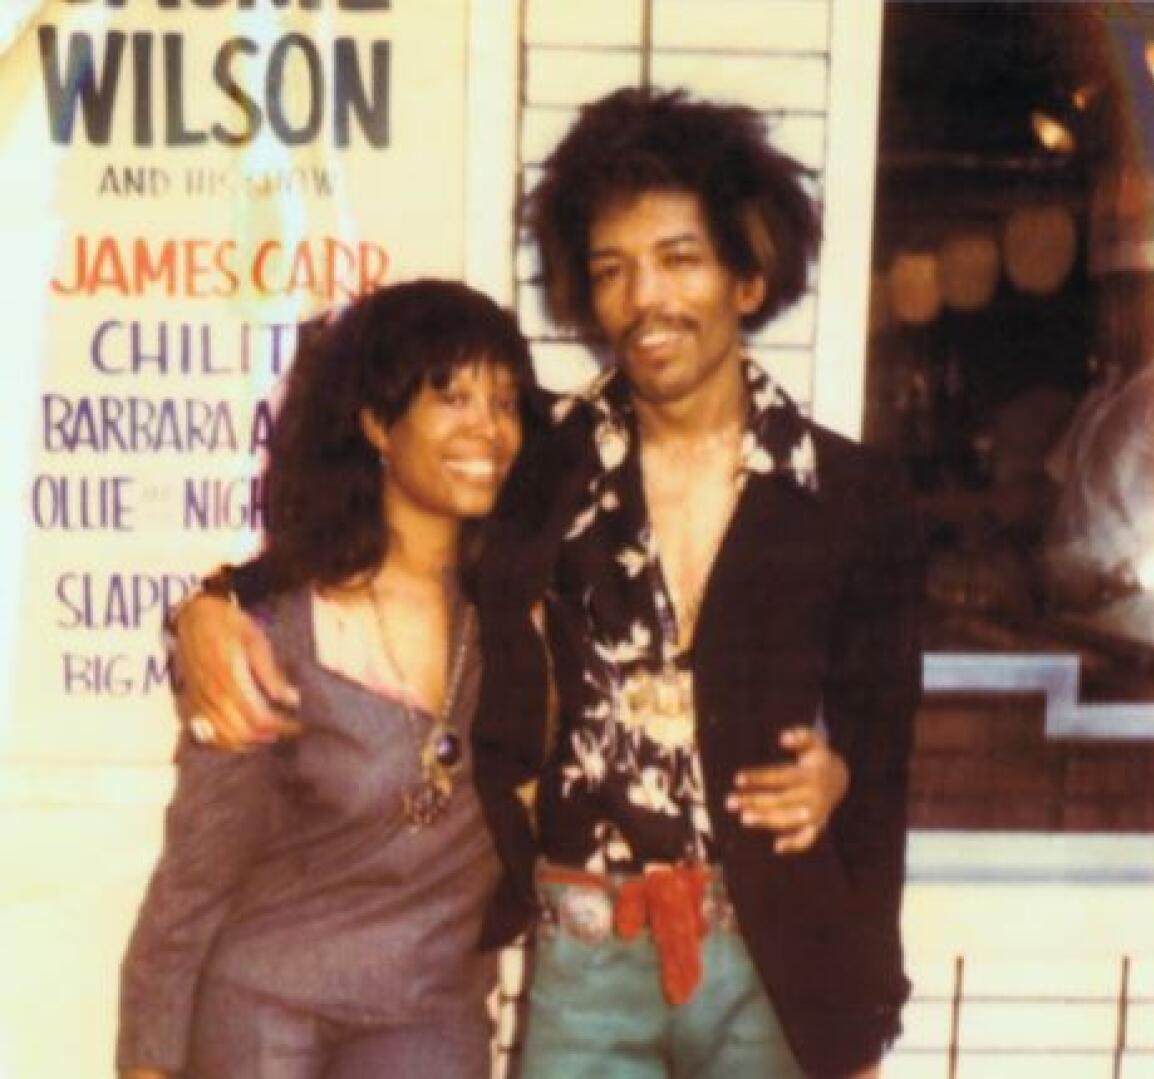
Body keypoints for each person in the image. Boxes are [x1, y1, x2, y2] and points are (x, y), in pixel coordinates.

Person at [177, 88, 922, 1078]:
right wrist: (218, 601)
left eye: (679, 258)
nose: (643, 299)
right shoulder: (544, 467)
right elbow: (388, 535)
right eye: (612, 270)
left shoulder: (853, 496)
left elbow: (881, 768)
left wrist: (863, 1009)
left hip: (776, 956)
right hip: (587, 958)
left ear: (749, 275)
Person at [117, 280, 535, 1079]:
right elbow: (192, 884)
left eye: (506, 401)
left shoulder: (521, 621)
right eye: (452, 396)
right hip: (263, 1010)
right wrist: (147, 1065)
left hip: (430, 1012)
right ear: (378, 423)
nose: (488, 427)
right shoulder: (275, 630)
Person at [1043, 165, 1154, 657]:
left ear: (1153, 301)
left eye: (1118, 297)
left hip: (1147, 642)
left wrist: (1132, 578)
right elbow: (1048, 491)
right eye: (1105, 296)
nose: (1103, 315)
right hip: (1083, 630)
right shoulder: (1106, 393)